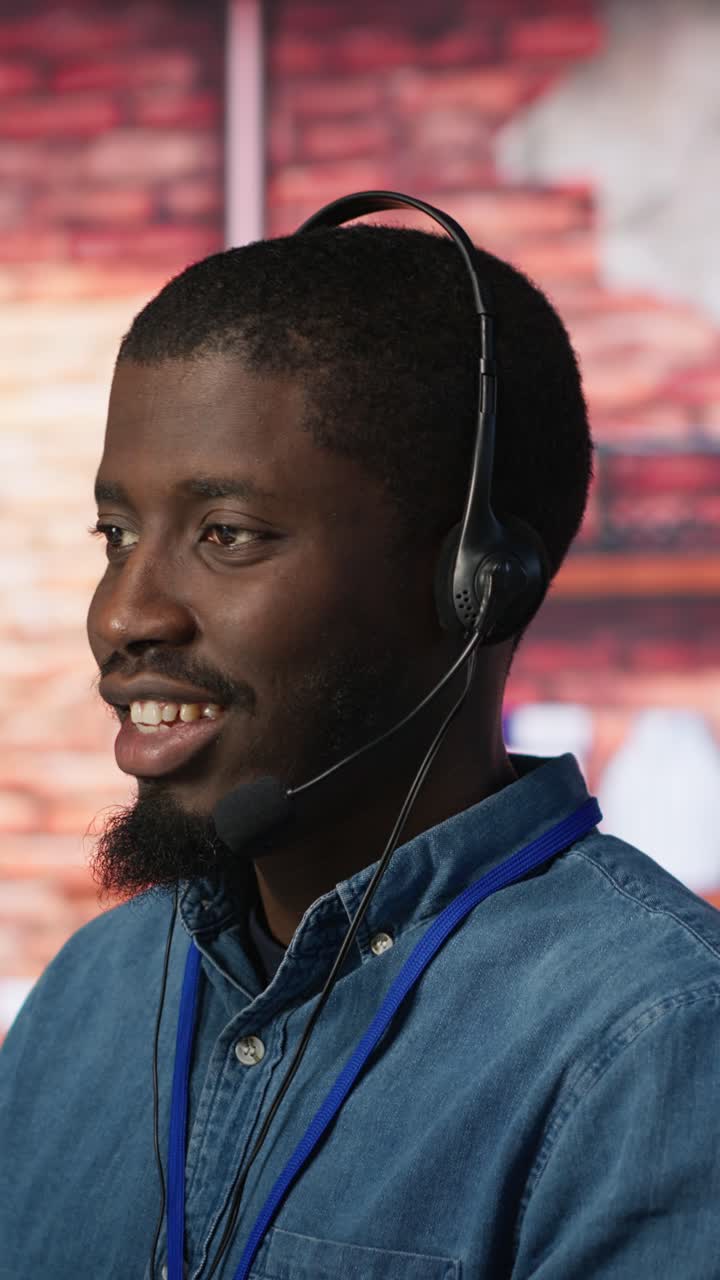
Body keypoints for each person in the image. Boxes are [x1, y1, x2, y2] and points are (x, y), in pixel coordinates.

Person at [1, 212, 718, 1280]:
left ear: (474, 582)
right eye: (117, 534)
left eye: (226, 534)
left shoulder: (654, 1043)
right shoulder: (95, 988)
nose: (124, 614)